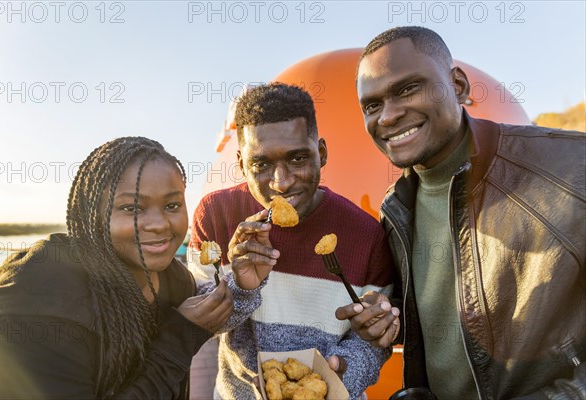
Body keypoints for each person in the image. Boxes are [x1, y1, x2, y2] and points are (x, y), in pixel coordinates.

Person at [335, 26, 586, 399]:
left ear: (458, 86)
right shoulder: (396, 209)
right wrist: (388, 320)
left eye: (407, 89)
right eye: (372, 105)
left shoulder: (571, 167)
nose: (387, 116)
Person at [187, 83, 395, 399]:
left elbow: (376, 341)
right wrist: (242, 288)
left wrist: (341, 373)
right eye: (261, 164)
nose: (281, 182)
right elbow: (201, 327)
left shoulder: (365, 235)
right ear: (242, 164)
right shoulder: (216, 215)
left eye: (297, 159)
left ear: (321, 153)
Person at [0, 137, 234, 399]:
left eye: (172, 205)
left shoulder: (177, 280)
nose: (159, 224)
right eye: (131, 208)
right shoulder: (39, 288)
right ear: (92, 213)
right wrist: (181, 337)